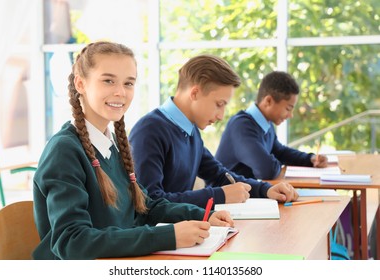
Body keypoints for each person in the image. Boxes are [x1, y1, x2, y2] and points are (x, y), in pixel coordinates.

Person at [32, 42, 234, 260]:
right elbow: (72, 242)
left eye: (129, 83)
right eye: (108, 81)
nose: (120, 92)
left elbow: (145, 206)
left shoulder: (110, 146)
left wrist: (204, 216)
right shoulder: (64, 151)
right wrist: (168, 235)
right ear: (80, 83)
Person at [129, 55, 298, 209]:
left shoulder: (191, 130)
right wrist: (220, 195)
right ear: (194, 93)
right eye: (219, 104)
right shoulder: (149, 132)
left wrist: (266, 190)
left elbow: (220, 176)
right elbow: (150, 202)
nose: (221, 115)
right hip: (164, 237)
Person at [215, 70, 328, 180]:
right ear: (268, 101)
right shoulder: (241, 126)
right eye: (288, 109)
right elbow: (266, 170)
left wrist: (310, 159)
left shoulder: (266, 124)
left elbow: (280, 152)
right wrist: (275, 164)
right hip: (227, 197)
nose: (290, 115)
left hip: (247, 194)